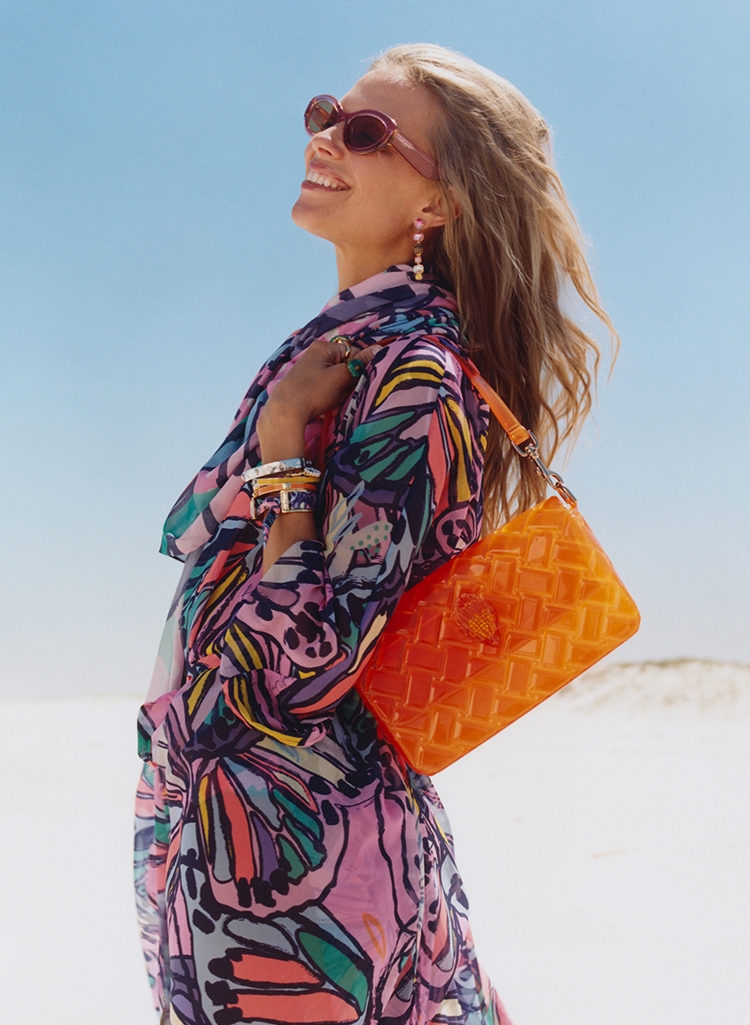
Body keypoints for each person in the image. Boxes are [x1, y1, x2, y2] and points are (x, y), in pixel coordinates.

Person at [134, 43, 615, 1025]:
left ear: (437, 202)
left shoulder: (413, 372)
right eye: (325, 114)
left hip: (293, 863)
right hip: (252, 827)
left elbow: (305, 661)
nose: (323, 139)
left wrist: (281, 452)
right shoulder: (351, 348)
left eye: (364, 132)